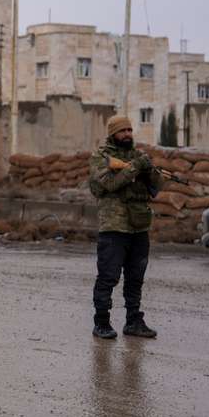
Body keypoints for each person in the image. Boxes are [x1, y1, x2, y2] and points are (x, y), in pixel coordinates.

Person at [88, 115, 162, 340]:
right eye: (123, 131)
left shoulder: (138, 156)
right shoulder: (101, 157)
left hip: (139, 226)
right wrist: (134, 169)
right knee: (108, 277)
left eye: (130, 130)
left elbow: (157, 187)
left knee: (136, 277)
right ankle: (101, 322)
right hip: (114, 228)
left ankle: (134, 321)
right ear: (113, 134)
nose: (128, 134)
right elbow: (110, 183)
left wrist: (149, 170)